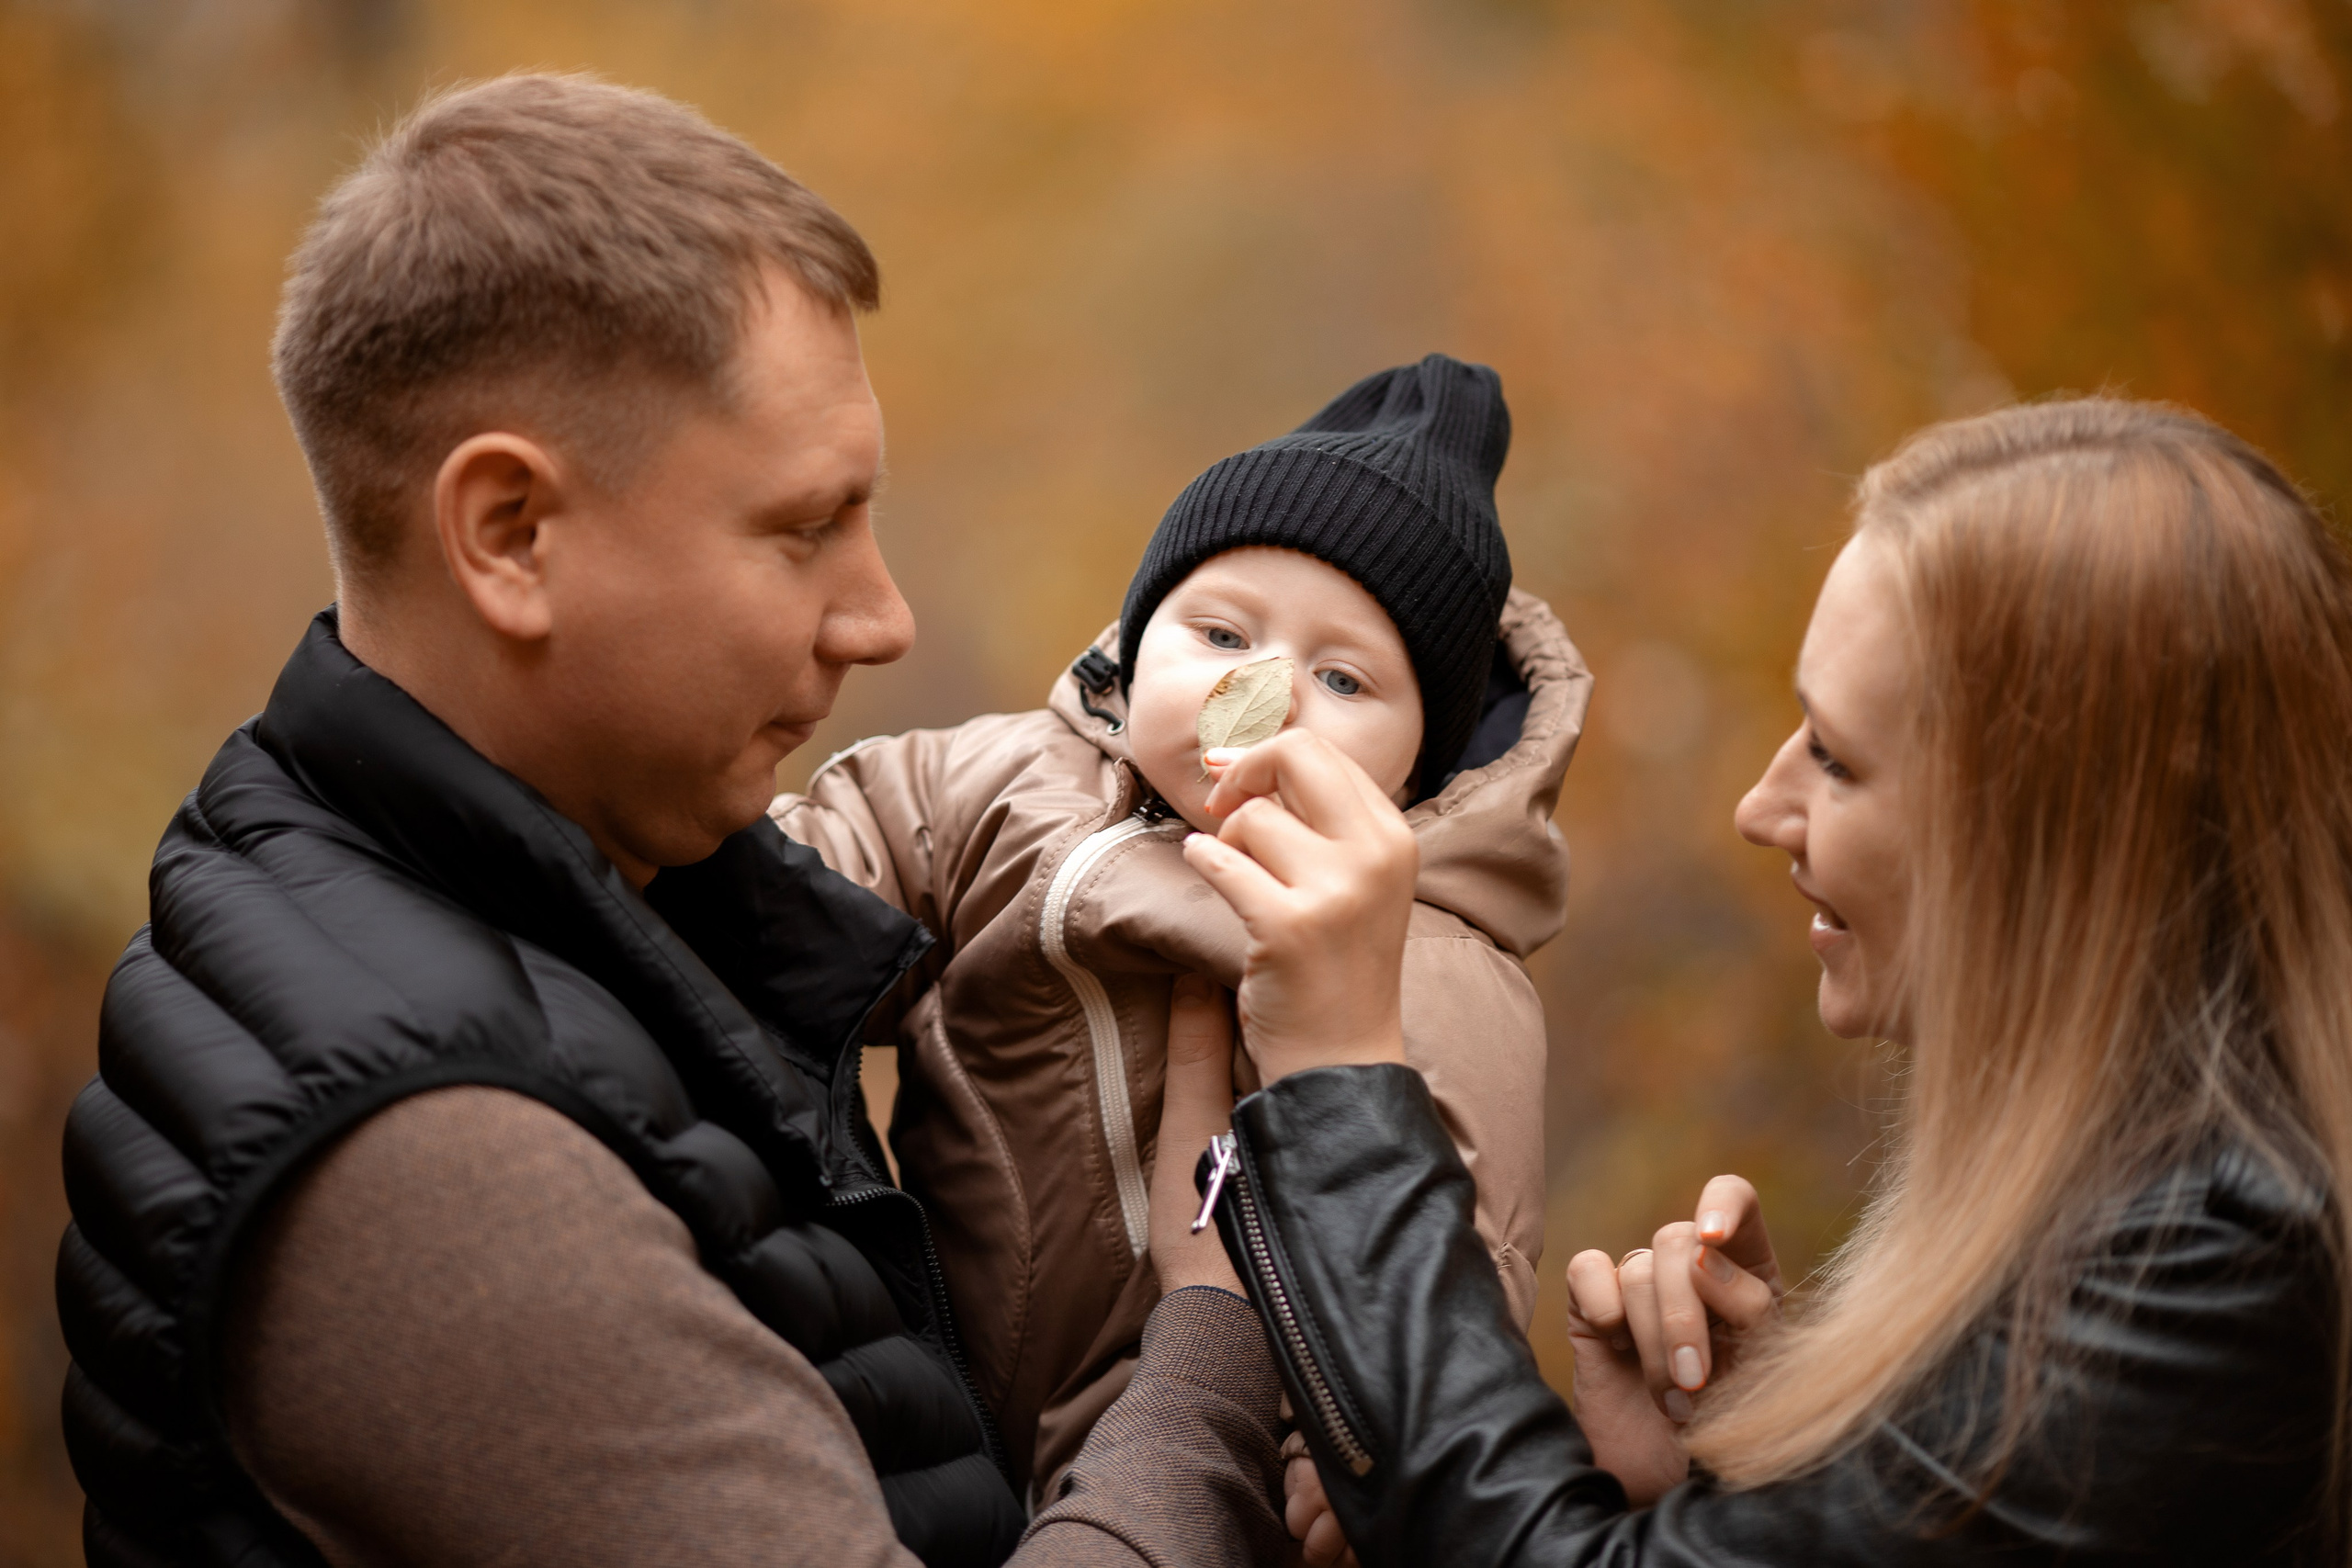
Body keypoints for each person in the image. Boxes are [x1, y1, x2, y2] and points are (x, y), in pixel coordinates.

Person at [51, 72, 1414, 1568]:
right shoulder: (443, 1173)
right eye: (804, 527)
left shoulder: (582, 887)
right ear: (510, 534)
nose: (883, 616)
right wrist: (1218, 1326)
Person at [1191, 399, 2350, 1564]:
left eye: (1837, 758)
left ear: (2062, 840)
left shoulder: (2211, 1276)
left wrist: (1342, 1072)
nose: (1762, 808)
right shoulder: (2160, 1226)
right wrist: (1766, 1473)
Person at [769, 353, 1589, 1496]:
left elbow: (1456, 1237)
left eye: (1344, 681)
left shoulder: (1431, 954)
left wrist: (1346, 1455)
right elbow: (840, 847)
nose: (1266, 692)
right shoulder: (1012, 786)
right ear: (1138, 638)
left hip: (1219, 1469)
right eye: (1219, 635)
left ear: (1416, 766)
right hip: (930, 1398)